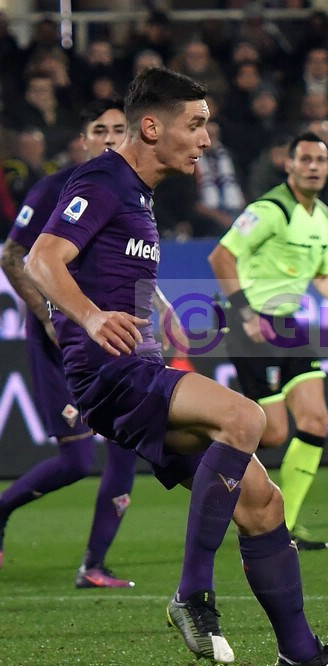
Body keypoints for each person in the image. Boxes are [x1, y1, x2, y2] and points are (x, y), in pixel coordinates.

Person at [24, 68, 328, 666]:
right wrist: (91, 317)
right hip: (111, 372)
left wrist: (158, 311)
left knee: (263, 504)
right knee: (245, 418)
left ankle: (301, 653)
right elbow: (41, 258)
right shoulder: (103, 178)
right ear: (151, 127)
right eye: (196, 124)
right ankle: (193, 594)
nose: (206, 139)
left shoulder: (138, 193)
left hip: (136, 366)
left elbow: (113, 269)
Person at [0, 99, 139, 587]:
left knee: (126, 446)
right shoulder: (55, 188)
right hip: (63, 339)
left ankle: (93, 565)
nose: (109, 137)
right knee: (78, 460)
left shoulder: (136, 192)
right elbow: (13, 254)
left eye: (118, 129)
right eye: (99, 129)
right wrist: (49, 317)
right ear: (83, 140)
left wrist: (161, 310)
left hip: (114, 335)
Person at [208, 130, 328, 551]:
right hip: (250, 321)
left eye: (320, 160)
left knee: (316, 420)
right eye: (305, 159)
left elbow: (323, 279)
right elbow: (221, 256)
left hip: (287, 322)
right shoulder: (269, 210)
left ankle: (285, 525)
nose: (313, 167)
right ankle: (207, 449)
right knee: (273, 433)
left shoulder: (322, 216)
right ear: (289, 164)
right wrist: (245, 312)